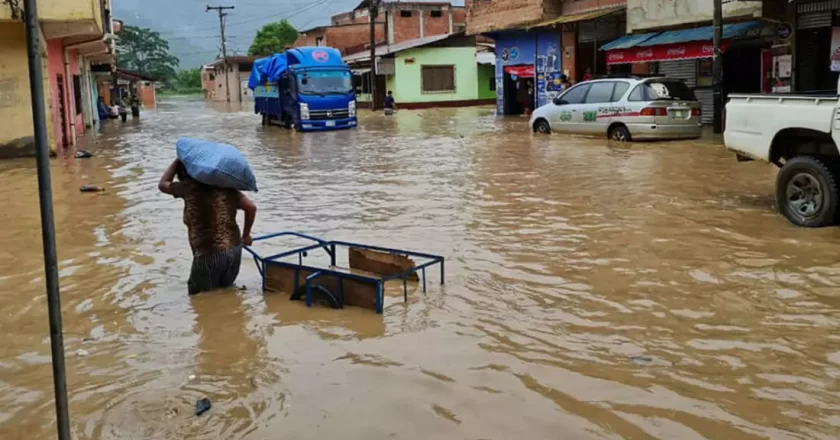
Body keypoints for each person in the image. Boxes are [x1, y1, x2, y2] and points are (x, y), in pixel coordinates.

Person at [158, 159, 257, 295]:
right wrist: (246, 236)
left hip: (208, 254)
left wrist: (177, 161)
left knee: (198, 298)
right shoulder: (227, 187)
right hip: (234, 251)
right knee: (226, 293)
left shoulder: (188, 188)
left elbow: (163, 184)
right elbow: (251, 208)